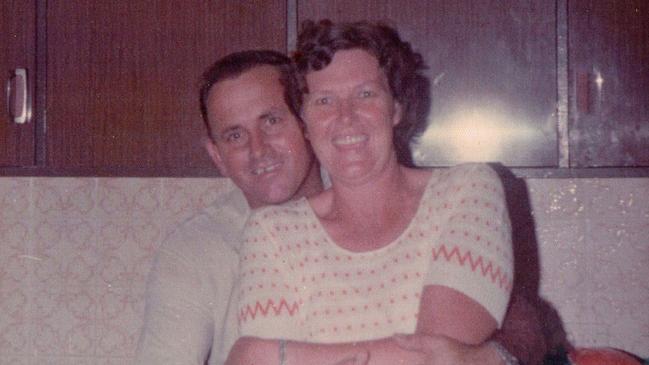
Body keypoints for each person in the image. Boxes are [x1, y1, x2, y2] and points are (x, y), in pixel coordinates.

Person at [136, 48, 546, 364]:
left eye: (271, 121)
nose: (258, 149)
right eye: (234, 135)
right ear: (216, 154)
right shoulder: (193, 252)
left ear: (305, 122)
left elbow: (524, 318)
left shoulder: (382, 193)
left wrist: (491, 357)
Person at [226, 20, 519, 364]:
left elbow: (432, 357)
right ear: (304, 123)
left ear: (395, 107)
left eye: (365, 94)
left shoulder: (466, 192)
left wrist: (271, 354)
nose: (345, 117)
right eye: (324, 101)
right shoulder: (273, 233)